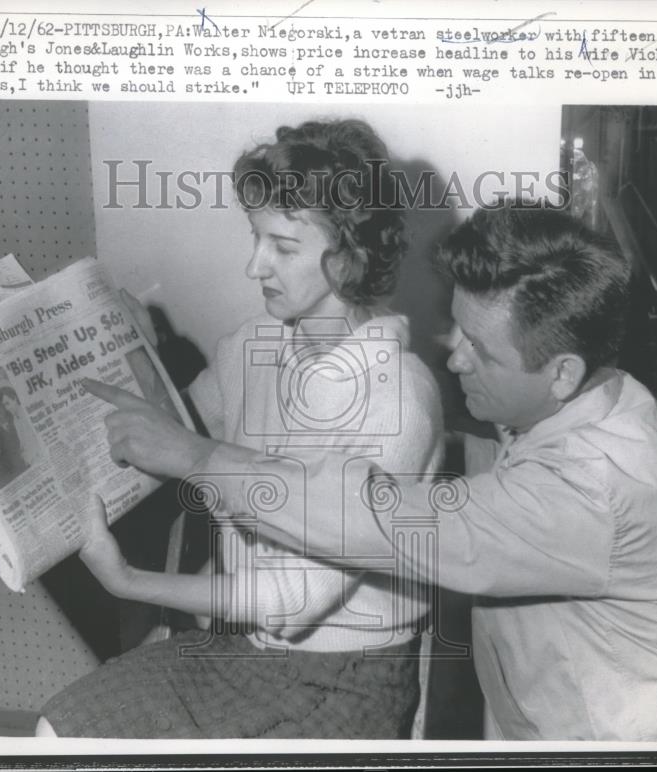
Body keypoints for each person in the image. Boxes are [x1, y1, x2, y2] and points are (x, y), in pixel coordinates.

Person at [102, 204, 657, 741]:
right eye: (456, 330)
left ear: (560, 373)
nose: (451, 360)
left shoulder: (597, 488)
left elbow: (394, 524)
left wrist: (197, 459)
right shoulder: (602, 393)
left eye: (479, 350)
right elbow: (500, 479)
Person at [37, 119, 444, 739]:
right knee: (59, 728)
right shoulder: (253, 345)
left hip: (345, 677)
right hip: (241, 645)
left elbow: (292, 599)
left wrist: (128, 581)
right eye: (257, 239)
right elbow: (174, 439)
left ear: (351, 256)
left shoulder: (400, 402)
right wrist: (132, 348)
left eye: (283, 247)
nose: (255, 265)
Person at [0, 386, 35, 474]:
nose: (7, 408)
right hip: (29, 461)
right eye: (4, 405)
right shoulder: (14, 419)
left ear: (14, 398)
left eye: (7, 403)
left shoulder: (27, 413)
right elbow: (23, 441)